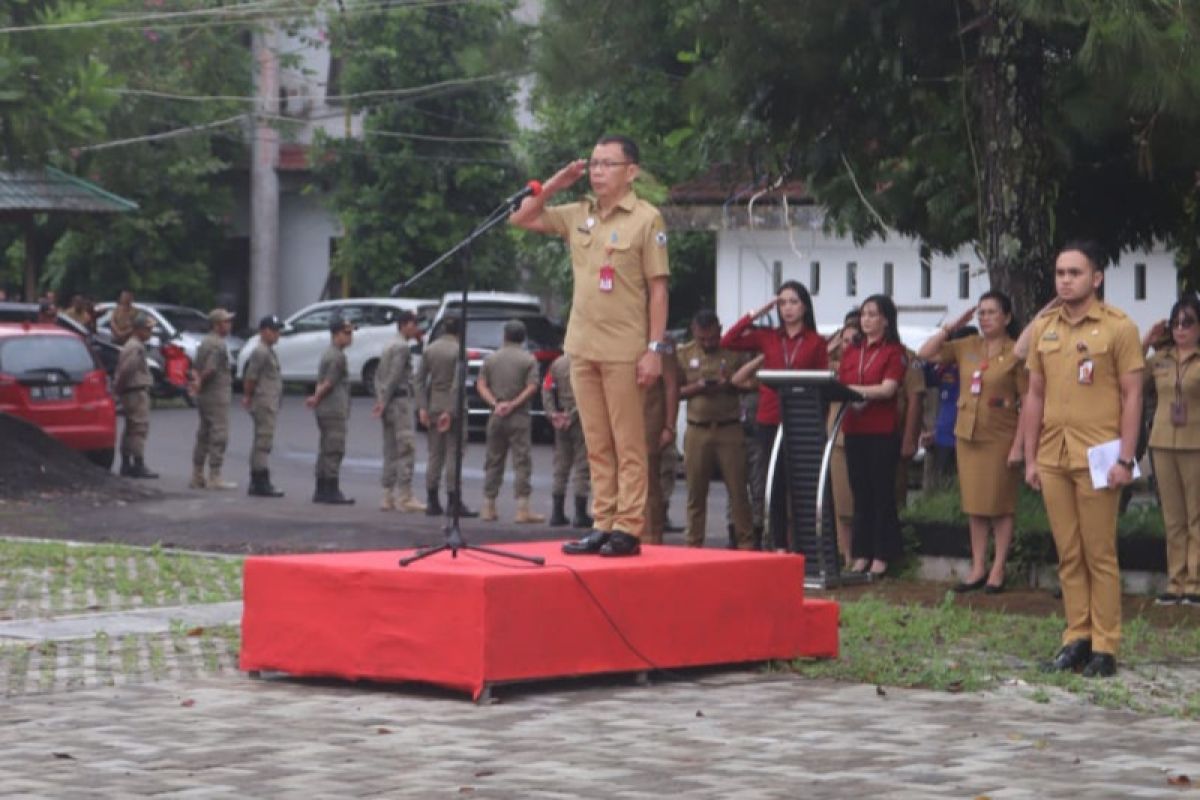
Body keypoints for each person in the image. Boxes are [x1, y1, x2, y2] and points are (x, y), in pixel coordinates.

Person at [511, 134, 670, 558]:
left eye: (608, 164)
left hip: (625, 348)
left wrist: (654, 348)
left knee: (627, 442)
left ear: (630, 172)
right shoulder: (579, 214)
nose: (598, 171)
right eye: (594, 163)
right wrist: (556, 183)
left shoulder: (645, 219)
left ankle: (628, 526)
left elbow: (658, 291)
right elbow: (522, 218)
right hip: (581, 346)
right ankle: (603, 522)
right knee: (596, 441)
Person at [1020, 240, 1143, 679]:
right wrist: (1030, 457)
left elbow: (1132, 397)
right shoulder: (1045, 327)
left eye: (1075, 272)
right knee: (1068, 552)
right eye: (1060, 273)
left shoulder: (1118, 327)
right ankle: (1077, 637)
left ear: (1097, 277)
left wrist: (1126, 459)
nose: (1066, 280)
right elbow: (1035, 394)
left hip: (1099, 455)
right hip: (1054, 452)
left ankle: (1106, 644)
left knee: (1099, 552)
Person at [919, 293, 1026, 594]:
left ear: (1006, 317)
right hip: (968, 434)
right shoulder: (967, 346)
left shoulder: (1016, 351)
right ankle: (978, 565)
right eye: (981, 313)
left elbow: (1028, 399)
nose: (985, 318)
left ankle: (998, 567)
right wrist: (949, 327)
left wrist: (1020, 445)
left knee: (1000, 505)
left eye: (992, 312)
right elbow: (925, 353)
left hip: (1001, 435)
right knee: (975, 505)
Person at [721, 280, 828, 551]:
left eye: (793, 302)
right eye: (782, 303)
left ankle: (804, 544)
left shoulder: (815, 341)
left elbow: (822, 386)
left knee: (801, 485)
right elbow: (728, 340)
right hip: (770, 418)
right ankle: (778, 543)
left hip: (801, 419)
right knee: (774, 484)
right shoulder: (769, 336)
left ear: (805, 306)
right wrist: (755, 313)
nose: (787, 308)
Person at [839, 295, 908, 578]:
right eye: (863, 314)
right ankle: (861, 553)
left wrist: (856, 392)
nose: (866, 319)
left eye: (872, 314)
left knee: (881, 493)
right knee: (860, 493)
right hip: (854, 429)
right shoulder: (852, 351)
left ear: (885, 320)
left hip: (881, 431)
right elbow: (840, 382)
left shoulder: (894, 351)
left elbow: (889, 388)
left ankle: (882, 554)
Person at [676, 309, 753, 549]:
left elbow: (752, 383)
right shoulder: (683, 353)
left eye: (712, 338)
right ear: (693, 332)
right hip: (697, 430)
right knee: (695, 493)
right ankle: (693, 544)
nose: (708, 343)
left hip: (729, 428)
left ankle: (746, 544)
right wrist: (698, 387)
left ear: (720, 330)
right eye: (702, 339)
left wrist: (729, 383)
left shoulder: (734, 351)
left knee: (738, 491)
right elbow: (674, 391)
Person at [1142, 294, 1200, 606]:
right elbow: (1132, 377)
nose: (1181, 329)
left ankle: (1195, 582)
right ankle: (1175, 580)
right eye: (1176, 323)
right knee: (1173, 516)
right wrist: (1147, 340)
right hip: (1163, 442)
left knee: (1197, 515)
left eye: (1188, 323)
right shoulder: (1161, 358)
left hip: (1196, 442)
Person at [477, 319, 545, 524]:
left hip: (496, 415)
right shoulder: (528, 359)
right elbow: (532, 387)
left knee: (493, 460)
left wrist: (496, 403)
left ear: (504, 336)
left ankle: (489, 506)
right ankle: (523, 508)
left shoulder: (491, 359)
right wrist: (513, 404)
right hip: (519, 416)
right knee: (522, 461)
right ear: (523, 337)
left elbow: (481, 384)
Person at [416, 315, 475, 518]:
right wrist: (450, 411)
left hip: (433, 403)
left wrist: (422, 407)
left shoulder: (430, 349)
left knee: (434, 454)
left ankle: (432, 500)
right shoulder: (459, 351)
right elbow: (457, 383)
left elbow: (419, 380)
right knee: (454, 454)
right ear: (460, 331)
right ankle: (453, 500)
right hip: (454, 407)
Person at [372, 310, 426, 513]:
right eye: (413, 324)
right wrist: (384, 401)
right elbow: (394, 376)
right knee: (406, 447)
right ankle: (405, 495)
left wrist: (380, 399)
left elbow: (378, 376)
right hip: (400, 401)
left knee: (390, 449)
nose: (416, 328)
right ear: (404, 325)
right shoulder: (402, 347)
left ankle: (387, 495)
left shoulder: (389, 344)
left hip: (388, 401)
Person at [824, 310, 861, 565]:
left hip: (865, 436)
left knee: (861, 501)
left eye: (854, 341)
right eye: (845, 341)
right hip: (837, 440)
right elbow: (809, 365)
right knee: (841, 502)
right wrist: (830, 347)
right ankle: (845, 555)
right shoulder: (833, 368)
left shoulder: (865, 365)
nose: (849, 346)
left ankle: (861, 553)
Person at [305, 316, 356, 505]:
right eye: (346, 333)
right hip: (333, 409)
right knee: (334, 448)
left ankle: (321, 488)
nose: (350, 337)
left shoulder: (331, 353)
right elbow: (328, 382)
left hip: (327, 409)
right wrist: (316, 398)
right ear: (336, 334)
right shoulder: (337, 356)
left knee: (326, 448)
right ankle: (331, 489)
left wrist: (316, 399)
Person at [543, 352, 593, 528]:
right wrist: (572, 415)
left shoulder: (556, 364)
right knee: (582, 465)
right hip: (582, 418)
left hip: (561, 419)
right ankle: (580, 514)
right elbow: (590, 393)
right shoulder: (587, 362)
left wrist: (553, 414)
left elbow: (547, 388)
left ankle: (557, 513)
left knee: (561, 465)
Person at [190, 309, 238, 491]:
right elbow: (210, 369)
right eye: (226, 322)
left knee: (203, 433)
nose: (229, 325)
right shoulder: (217, 344)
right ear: (217, 325)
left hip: (205, 395)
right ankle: (214, 475)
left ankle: (197, 474)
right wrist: (201, 382)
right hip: (216, 394)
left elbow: (195, 367)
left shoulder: (205, 342)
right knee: (219, 433)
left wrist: (196, 383)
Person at [641, 333, 680, 544]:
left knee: (649, 481)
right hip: (627, 416)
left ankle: (652, 536)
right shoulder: (624, 330)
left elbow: (671, 385)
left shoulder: (661, 341)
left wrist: (669, 426)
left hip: (651, 417)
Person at [241, 314, 285, 498]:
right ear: (264, 331)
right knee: (263, 441)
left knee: (263, 441)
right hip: (264, 402)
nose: (277, 335)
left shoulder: (268, 350)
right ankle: (260, 480)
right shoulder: (260, 351)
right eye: (274, 331)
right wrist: (248, 396)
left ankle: (259, 479)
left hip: (269, 401)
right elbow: (251, 377)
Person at [113, 313, 159, 479]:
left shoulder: (132, 345)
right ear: (139, 330)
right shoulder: (135, 347)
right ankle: (138, 463)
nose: (150, 333)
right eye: (147, 329)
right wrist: (118, 389)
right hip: (135, 391)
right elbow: (126, 370)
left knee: (130, 429)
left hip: (130, 391)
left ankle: (126, 463)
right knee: (139, 428)